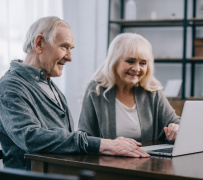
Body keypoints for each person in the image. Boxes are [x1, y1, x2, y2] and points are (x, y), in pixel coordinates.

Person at [0, 17, 149, 170]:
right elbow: (30, 138)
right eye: (64, 47)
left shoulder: (47, 83)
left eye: (71, 49)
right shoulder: (10, 86)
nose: (70, 57)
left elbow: (63, 139)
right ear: (39, 44)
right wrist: (101, 144)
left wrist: (109, 145)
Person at [78, 33, 180, 142]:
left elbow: (175, 122)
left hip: (149, 158)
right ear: (114, 61)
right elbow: (84, 137)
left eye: (143, 63)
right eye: (130, 61)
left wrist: (175, 130)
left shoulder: (152, 92)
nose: (137, 69)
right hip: (108, 159)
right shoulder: (95, 91)